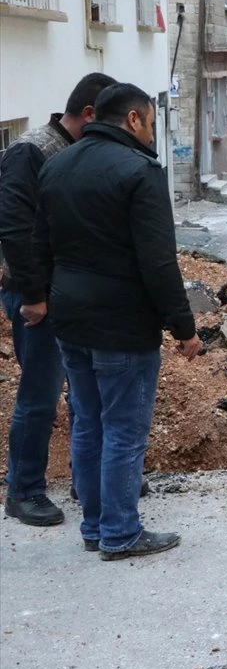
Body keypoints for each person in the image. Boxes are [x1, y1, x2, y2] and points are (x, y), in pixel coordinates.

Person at [31, 83, 202, 560]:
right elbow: (158, 262)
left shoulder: (57, 164)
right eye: (151, 121)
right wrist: (184, 328)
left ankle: (95, 526)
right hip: (122, 323)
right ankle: (121, 532)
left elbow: (39, 244)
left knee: (88, 423)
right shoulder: (139, 172)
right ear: (132, 119)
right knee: (124, 430)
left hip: (70, 316)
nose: (152, 131)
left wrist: (37, 297)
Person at [0, 72, 116, 526]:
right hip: (38, 299)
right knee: (40, 394)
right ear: (89, 115)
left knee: (86, 394)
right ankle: (24, 489)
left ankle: (90, 475)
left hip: (74, 295)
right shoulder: (31, 151)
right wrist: (32, 294)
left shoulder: (75, 152)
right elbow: (13, 227)